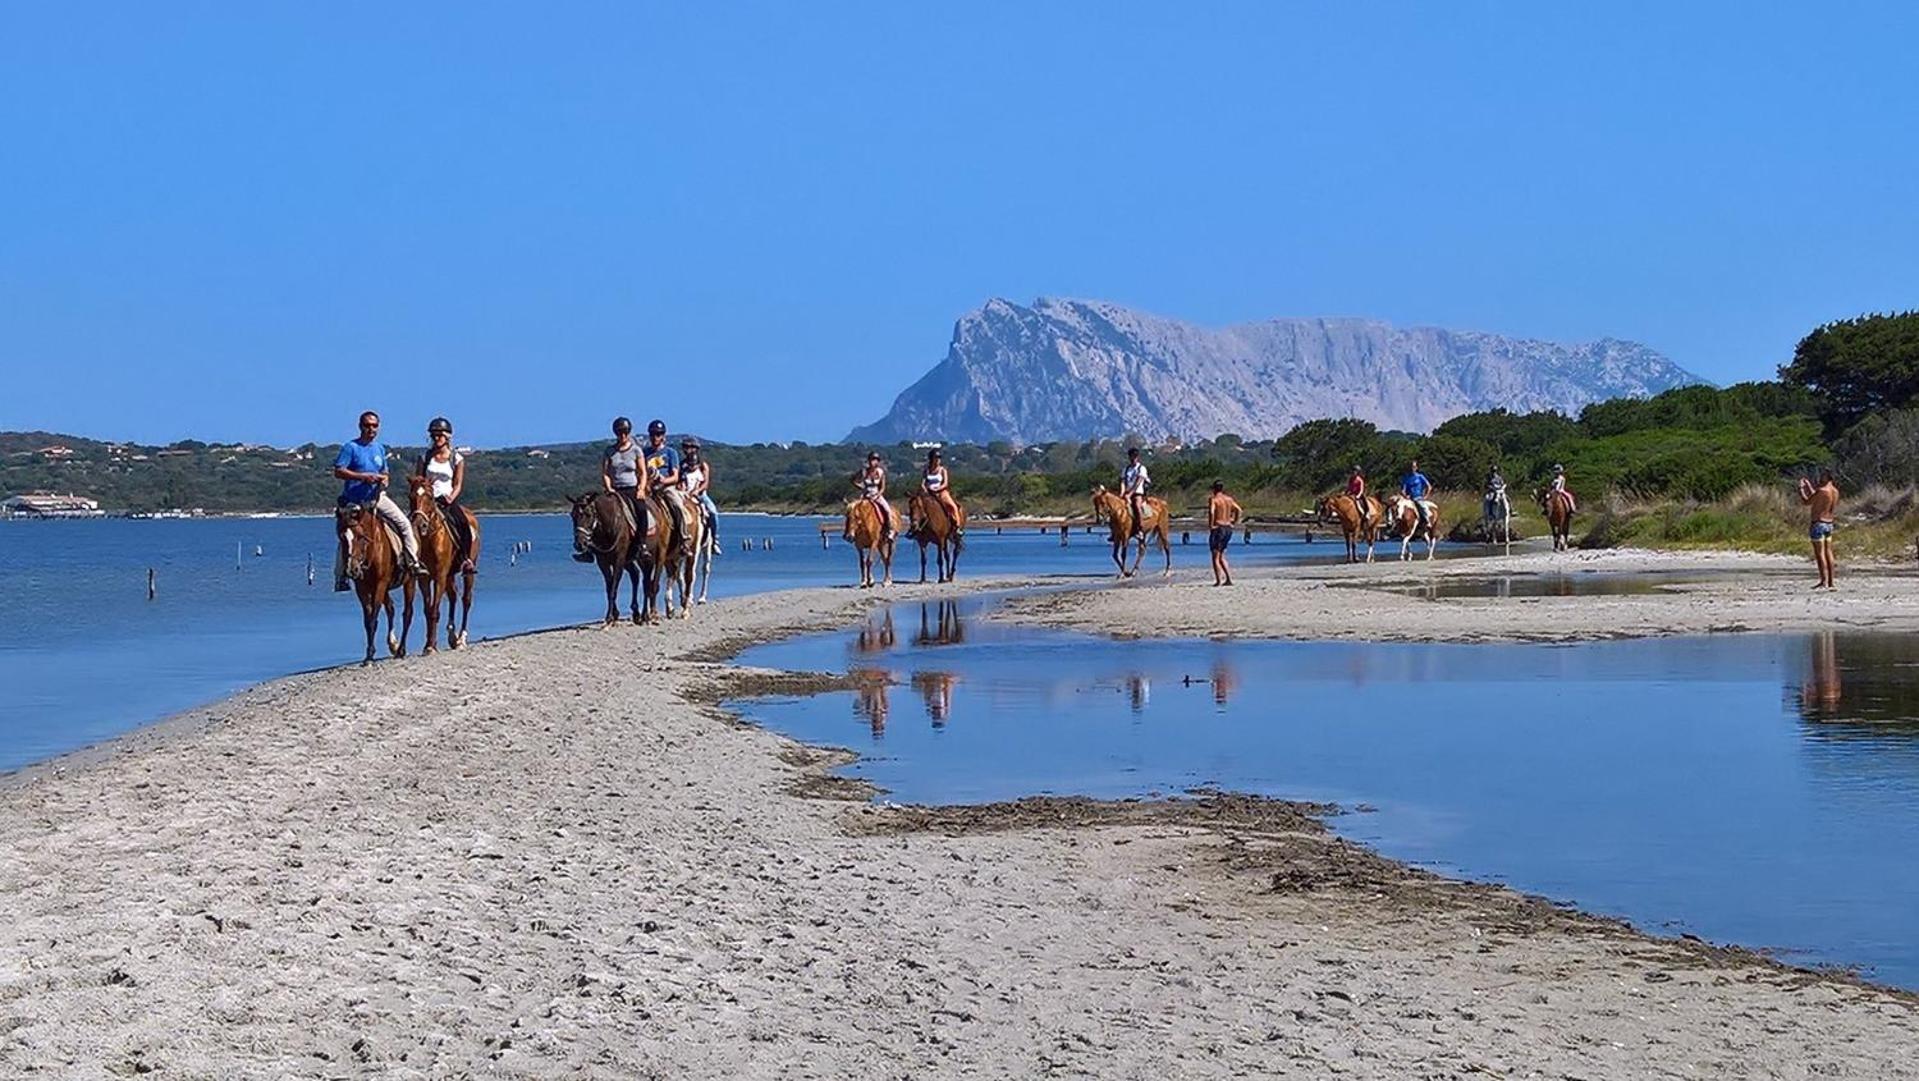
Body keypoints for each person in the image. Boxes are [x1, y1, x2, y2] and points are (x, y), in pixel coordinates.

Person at [332, 409, 425, 590]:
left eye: (374, 426)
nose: (371, 429)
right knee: (346, 536)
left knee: (404, 524)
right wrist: (363, 477)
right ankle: (341, 576)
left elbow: (385, 471)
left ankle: (412, 562)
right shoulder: (350, 448)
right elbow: (338, 471)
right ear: (360, 427)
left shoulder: (379, 448)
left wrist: (384, 480)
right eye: (367, 425)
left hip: (377, 498)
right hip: (355, 501)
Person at [416, 416, 478, 573]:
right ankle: (411, 560)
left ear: (448, 437)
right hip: (428, 500)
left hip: (446, 499)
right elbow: (419, 480)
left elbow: (457, 484)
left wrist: (451, 497)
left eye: (439, 435)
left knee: (463, 523)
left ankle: (465, 559)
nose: (436, 438)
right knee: (412, 524)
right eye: (433, 435)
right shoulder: (425, 457)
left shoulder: (456, 458)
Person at [586, 416, 646, 562]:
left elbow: (642, 472)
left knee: (642, 511)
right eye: (619, 433)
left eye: (625, 432)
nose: (622, 436)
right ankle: (589, 548)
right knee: (596, 512)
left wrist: (641, 488)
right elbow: (605, 473)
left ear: (629, 432)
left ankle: (641, 544)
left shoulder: (636, 451)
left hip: (631, 488)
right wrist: (609, 488)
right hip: (615, 490)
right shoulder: (610, 451)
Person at [642, 420, 688, 543]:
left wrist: (664, 480)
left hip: (666, 486)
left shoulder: (670, 453)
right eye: (652, 434)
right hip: (648, 486)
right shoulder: (644, 453)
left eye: (658, 434)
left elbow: (675, 477)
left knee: (677, 504)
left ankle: (683, 536)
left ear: (663, 436)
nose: (655, 437)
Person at [1799, 468, 1840, 589]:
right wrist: (1809, 486)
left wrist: (1801, 489)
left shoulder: (1822, 490)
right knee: (1829, 552)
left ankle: (1823, 580)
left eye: (1822, 476)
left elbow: (1807, 501)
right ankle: (1831, 582)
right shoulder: (1835, 491)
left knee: (1820, 553)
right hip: (1829, 523)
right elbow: (1817, 498)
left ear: (1826, 477)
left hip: (1818, 523)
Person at [678, 436, 719, 554]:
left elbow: (705, 483)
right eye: (685, 447)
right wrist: (683, 490)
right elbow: (680, 480)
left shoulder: (703, 465)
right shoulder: (682, 465)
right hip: (685, 495)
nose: (687, 450)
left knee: (712, 512)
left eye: (690, 447)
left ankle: (714, 540)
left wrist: (697, 491)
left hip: (700, 494)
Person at [846, 451, 897, 542]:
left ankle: (890, 530)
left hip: (876, 495)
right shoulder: (864, 471)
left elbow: (883, 487)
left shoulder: (881, 472)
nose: (873, 462)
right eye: (871, 460)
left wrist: (878, 494)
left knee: (888, 510)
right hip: (865, 496)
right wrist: (860, 487)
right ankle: (849, 532)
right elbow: (853, 480)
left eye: (875, 460)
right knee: (852, 510)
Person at [1207, 480, 1243, 586]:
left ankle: (1218, 580)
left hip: (1218, 527)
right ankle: (1228, 579)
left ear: (1214, 489)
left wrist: (1211, 525)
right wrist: (1234, 521)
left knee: (1215, 556)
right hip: (1228, 528)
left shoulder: (1214, 500)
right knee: (1221, 555)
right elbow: (1239, 510)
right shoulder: (1229, 499)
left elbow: (1212, 511)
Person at [919, 449, 962, 535]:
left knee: (952, 506)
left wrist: (937, 489)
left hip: (941, 492)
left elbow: (945, 483)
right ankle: (916, 528)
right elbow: (923, 483)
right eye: (936, 458)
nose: (938, 460)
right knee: (917, 506)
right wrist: (925, 489)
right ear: (932, 459)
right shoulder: (927, 470)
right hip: (929, 493)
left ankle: (957, 526)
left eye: (939, 458)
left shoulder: (943, 470)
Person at [1121, 447, 1151, 534]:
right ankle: (1115, 531)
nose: (1133, 459)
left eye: (1134, 457)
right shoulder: (1126, 469)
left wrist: (1130, 494)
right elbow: (1123, 481)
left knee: (1137, 506)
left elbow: (1138, 482)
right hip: (1127, 492)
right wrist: (1122, 493)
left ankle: (1140, 528)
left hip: (1138, 492)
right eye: (1131, 457)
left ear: (1137, 457)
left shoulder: (1141, 468)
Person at [1401, 458, 1433, 533]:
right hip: (1409, 498)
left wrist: (1426, 496)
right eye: (1411, 467)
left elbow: (1429, 486)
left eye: (1414, 467)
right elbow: (1403, 489)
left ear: (1417, 468)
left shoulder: (1420, 476)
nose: (1413, 468)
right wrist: (1405, 495)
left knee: (1422, 506)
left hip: (1418, 497)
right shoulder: (1406, 478)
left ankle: (1428, 521)